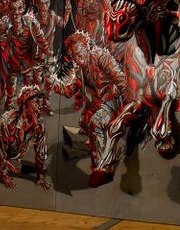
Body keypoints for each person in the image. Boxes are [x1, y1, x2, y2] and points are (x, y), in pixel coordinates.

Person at [52, 31, 127, 172]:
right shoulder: (79, 70)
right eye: (73, 55)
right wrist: (52, 81)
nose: (76, 56)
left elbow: (121, 80)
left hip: (112, 102)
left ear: (86, 46)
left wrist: (129, 105)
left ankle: (104, 164)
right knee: (90, 125)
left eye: (78, 51)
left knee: (96, 122)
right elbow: (69, 90)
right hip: (96, 106)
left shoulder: (100, 56)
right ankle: (101, 158)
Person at [0, 85, 51, 190]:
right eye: (36, 102)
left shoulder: (39, 126)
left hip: (13, 153)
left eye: (41, 102)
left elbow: (41, 152)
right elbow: (1, 149)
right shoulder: (9, 120)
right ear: (26, 103)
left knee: (15, 167)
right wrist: (4, 175)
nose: (40, 106)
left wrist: (41, 176)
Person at [0, 0, 51, 110]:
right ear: (9, 9)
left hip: (27, 60)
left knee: (29, 87)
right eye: (13, 9)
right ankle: (9, 108)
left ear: (24, 8)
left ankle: (28, 108)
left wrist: (48, 54)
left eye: (19, 8)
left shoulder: (31, 23)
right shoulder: (5, 22)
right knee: (11, 86)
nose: (16, 12)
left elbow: (41, 40)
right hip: (13, 60)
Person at [31, 0, 71, 115]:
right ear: (37, 4)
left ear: (49, 3)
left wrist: (67, 11)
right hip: (37, 57)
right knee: (37, 83)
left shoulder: (53, 16)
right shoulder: (32, 19)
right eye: (41, 3)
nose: (44, 6)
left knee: (49, 83)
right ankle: (36, 106)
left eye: (46, 3)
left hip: (49, 57)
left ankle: (46, 105)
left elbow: (63, 23)